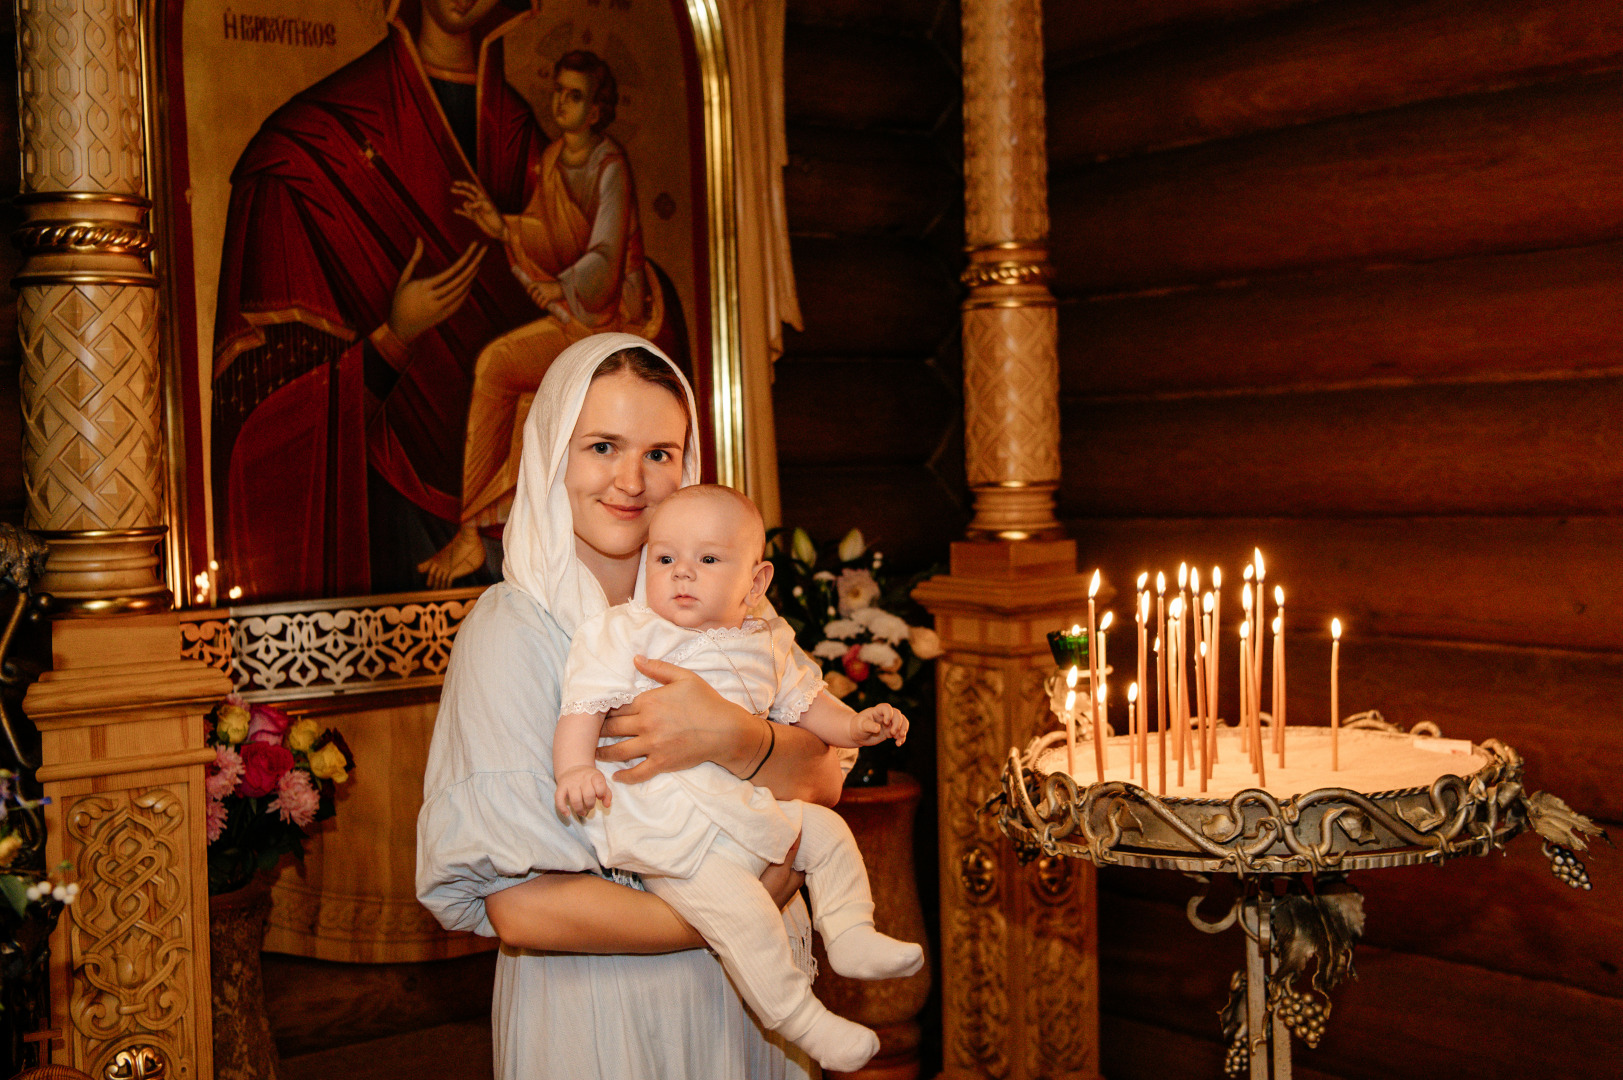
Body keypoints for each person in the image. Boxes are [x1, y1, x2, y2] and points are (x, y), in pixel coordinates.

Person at [417, 333, 846, 1079]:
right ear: (552, 453)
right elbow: (520, 906)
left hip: (752, 1005)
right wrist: (734, 912)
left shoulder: (732, 607)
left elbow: (826, 774)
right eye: (603, 446)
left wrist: (734, 737)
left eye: (660, 453)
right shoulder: (514, 630)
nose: (632, 480)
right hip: (602, 1005)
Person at [554, 485, 923, 1073]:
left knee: (827, 831)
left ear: (754, 583)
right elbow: (583, 706)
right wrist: (574, 768)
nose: (682, 575)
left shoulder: (768, 640)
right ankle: (803, 1020)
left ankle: (851, 931)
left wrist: (858, 726)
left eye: (707, 560)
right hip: (672, 835)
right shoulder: (627, 631)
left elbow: (808, 705)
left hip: (747, 809)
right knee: (745, 914)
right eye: (666, 558)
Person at [212, 0, 542, 600]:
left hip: (511, 495)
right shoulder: (310, 149)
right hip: (384, 498)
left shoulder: (522, 140)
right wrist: (395, 337)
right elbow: (262, 412)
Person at [418, 50, 666, 589]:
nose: (559, 102)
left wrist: (564, 286)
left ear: (598, 110)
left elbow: (605, 255)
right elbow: (545, 234)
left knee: (498, 367)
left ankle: (472, 531)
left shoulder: (609, 165)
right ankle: (485, 530)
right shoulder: (553, 158)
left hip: (606, 328)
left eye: (573, 95)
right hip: (575, 316)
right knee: (502, 371)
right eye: (556, 91)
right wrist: (503, 225)